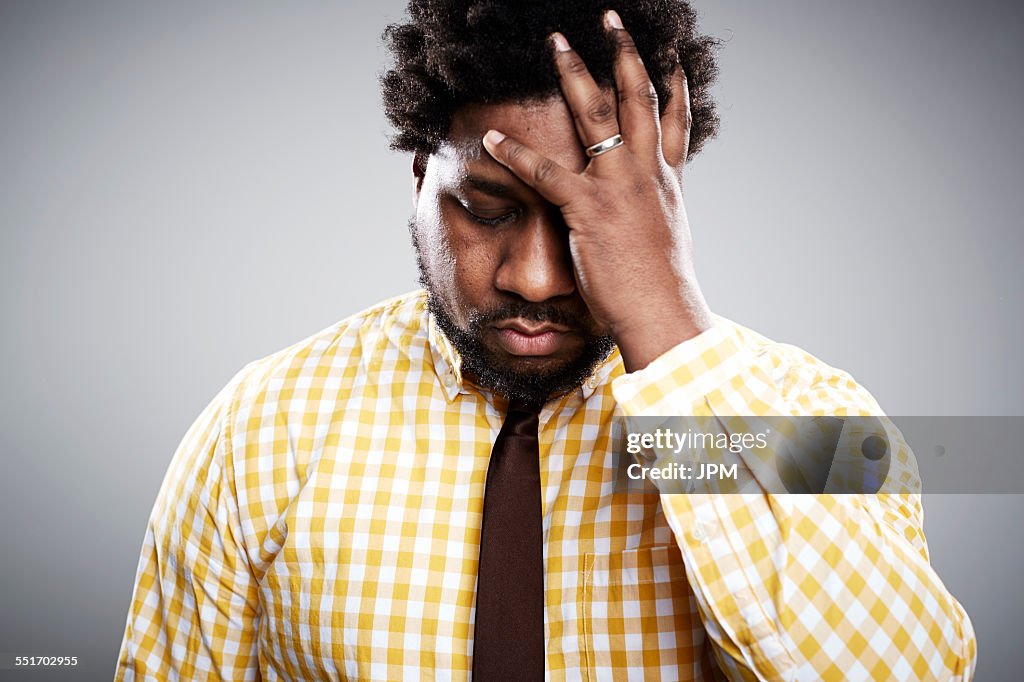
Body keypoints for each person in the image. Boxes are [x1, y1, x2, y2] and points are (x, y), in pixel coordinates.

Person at [115, 1, 976, 679]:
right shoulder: (260, 428)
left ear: (662, 209)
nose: (534, 277)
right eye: (486, 209)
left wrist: (668, 332)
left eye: (589, 222)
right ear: (420, 179)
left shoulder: (816, 418)